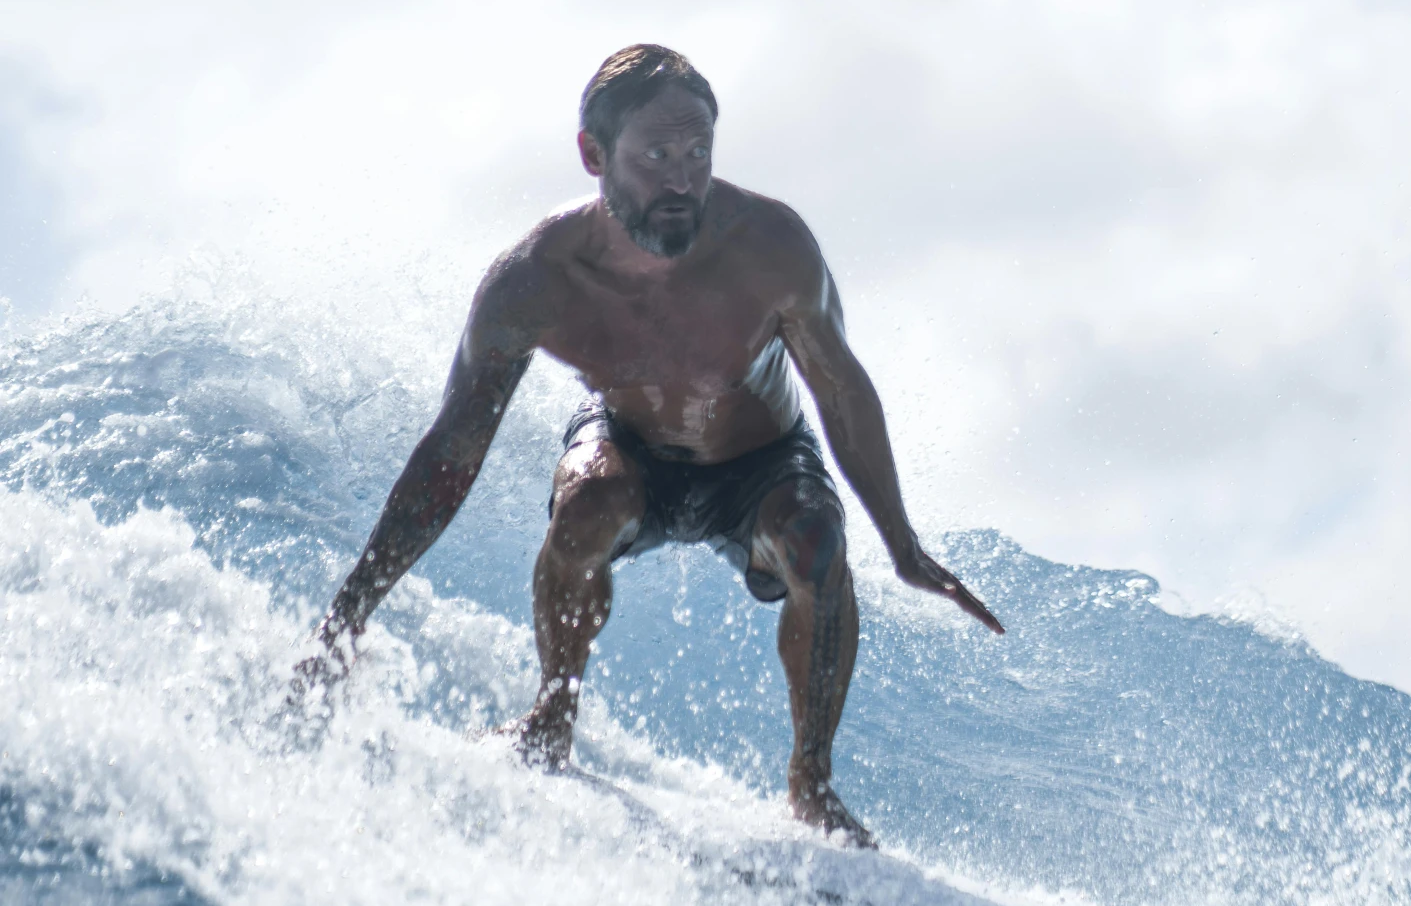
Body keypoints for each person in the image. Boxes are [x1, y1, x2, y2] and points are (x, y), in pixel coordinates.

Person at [288, 44, 1003, 846]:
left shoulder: (772, 250)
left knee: (815, 541)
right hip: (629, 448)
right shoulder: (534, 282)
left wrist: (901, 543)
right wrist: (347, 617)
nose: (682, 180)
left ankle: (812, 783)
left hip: (762, 462)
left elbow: (840, 389)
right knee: (584, 510)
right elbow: (451, 453)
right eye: (656, 155)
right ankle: (550, 718)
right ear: (594, 154)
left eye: (698, 153)